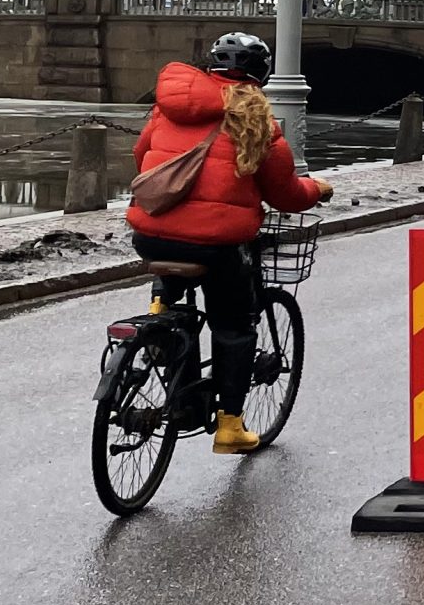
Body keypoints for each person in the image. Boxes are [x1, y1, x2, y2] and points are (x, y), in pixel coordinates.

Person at [126, 33, 331, 455]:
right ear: (262, 77)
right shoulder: (256, 120)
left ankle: (160, 315)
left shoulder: (167, 108)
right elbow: (285, 195)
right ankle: (230, 427)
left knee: (171, 256)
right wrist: (317, 188)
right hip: (216, 244)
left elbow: (141, 156)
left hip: (148, 233)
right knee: (233, 324)